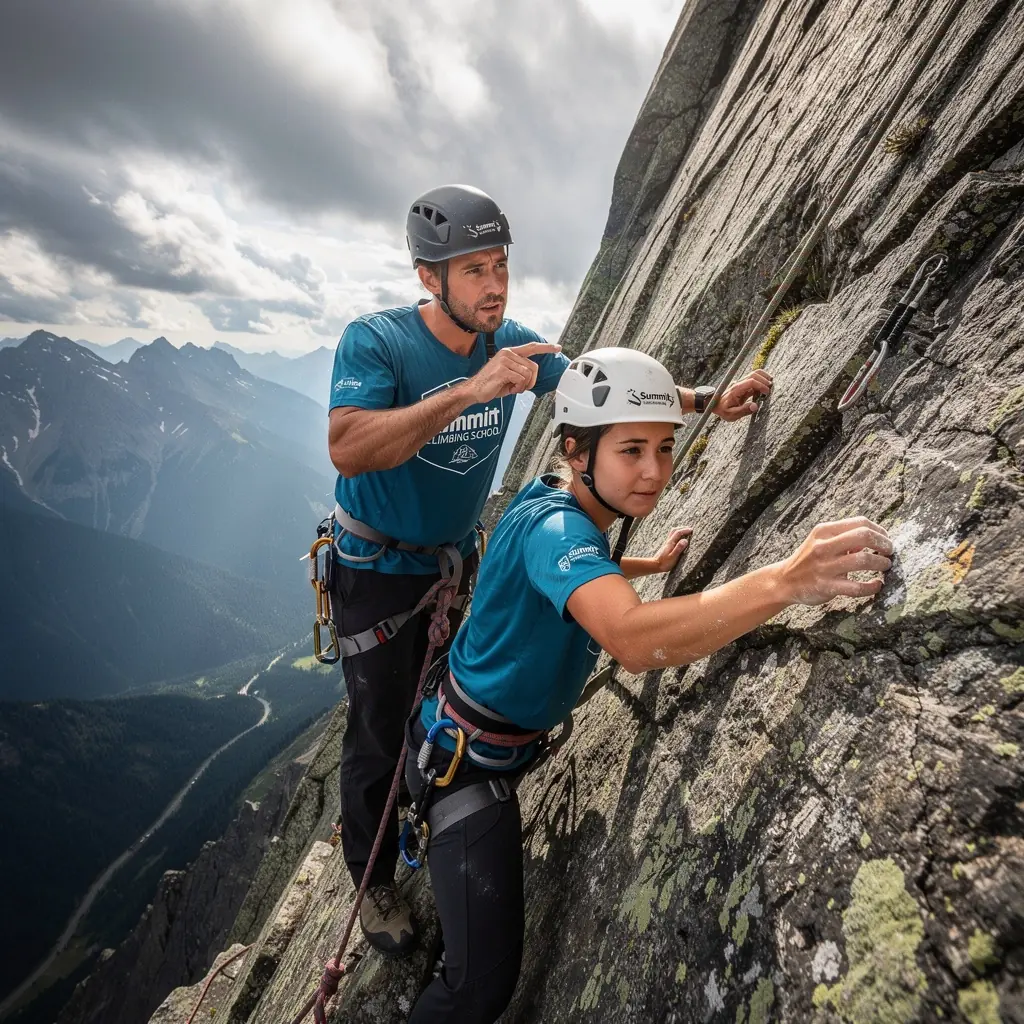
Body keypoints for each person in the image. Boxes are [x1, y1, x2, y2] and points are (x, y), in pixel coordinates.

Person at [328, 184, 771, 956]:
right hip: (377, 574)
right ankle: (373, 881)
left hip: (451, 561)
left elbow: (602, 390)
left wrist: (707, 400)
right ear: (429, 278)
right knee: (376, 728)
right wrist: (473, 389)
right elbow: (349, 447)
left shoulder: (514, 346)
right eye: (473, 270)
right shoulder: (379, 344)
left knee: (437, 697)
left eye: (499, 265)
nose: (495, 285)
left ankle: (428, 796)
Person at [402, 347, 893, 1023]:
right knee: (479, 987)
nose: (655, 471)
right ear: (577, 452)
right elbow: (631, 640)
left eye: (664, 448)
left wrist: (649, 560)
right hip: (466, 770)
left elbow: (580, 571)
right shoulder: (557, 530)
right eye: (631, 451)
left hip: (459, 734)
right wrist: (786, 580)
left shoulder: (546, 500)